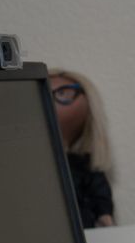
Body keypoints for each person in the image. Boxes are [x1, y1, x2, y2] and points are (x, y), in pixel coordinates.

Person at [48, 70, 115, 228]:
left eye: (62, 93)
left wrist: (104, 214)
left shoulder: (83, 165)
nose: (50, 101)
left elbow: (100, 194)